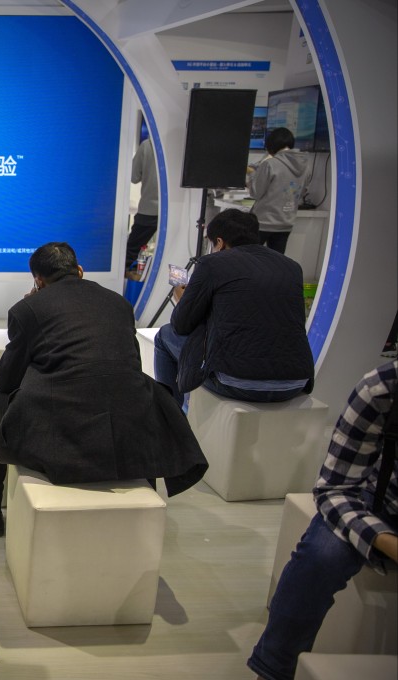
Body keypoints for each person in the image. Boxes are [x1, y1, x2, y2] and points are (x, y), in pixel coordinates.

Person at [0, 242, 207, 538]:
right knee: (126, 393)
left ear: (38, 280)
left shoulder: (27, 309)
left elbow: (6, 380)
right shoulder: (118, 303)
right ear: (79, 270)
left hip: (62, 427)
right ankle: (141, 515)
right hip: (130, 423)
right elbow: (130, 364)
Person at [248, 360, 397, 680]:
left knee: (168, 343)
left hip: (248, 379)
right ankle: (274, 670)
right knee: (320, 556)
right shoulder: (384, 389)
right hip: (381, 497)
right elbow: (336, 489)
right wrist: (386, 541)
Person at [153, 208, 315, 408]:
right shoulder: (291, 267)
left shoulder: (212, 264)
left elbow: (181, 325)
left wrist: (182, 299)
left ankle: (169, 418)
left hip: (235, 379)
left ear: (219, 243)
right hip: (296, 381)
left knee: (163, 336)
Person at [247, 127, 309, 254]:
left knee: (251, 259)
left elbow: (255, 192)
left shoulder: (270, 164)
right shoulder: (305, 166)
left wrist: (252, 176)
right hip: (286, 223)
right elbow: (301, 193)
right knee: (276, 263)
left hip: (263, 222)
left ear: (271, 145)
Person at [125, 136, 159, 272]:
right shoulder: (183, 145)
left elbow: (133, 176)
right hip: (177, 213)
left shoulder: (147, 145)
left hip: (149, 209)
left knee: (131, 254)